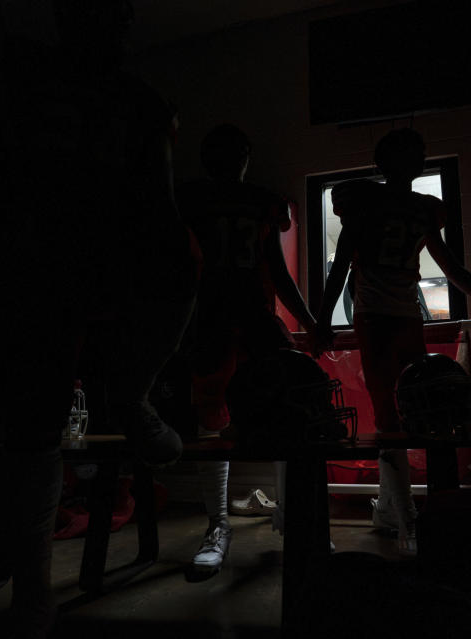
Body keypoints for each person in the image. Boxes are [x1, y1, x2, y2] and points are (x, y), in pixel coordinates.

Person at [0, 0, 199, 633]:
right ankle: (31, 594)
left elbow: (162, 213)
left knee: (34, 429)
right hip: (51, 259)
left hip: (82, 260)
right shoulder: (50, 83)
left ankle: (32, 597)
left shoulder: (121, 97)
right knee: (33, 428)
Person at [314, 128, 471, 554]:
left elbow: (345, 267)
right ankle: (406, 520)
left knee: (411, 416)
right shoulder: (407, 210)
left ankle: (393, 510)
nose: (420, 160)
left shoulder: (386, 208)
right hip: (385, 316)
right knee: (398, 419)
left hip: (398, 316)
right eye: (414, 154)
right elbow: (343, 265)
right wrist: (323, 320)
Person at [175, 124, 317, 575]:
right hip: (215, 316)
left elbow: (274, 266)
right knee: (212, 422)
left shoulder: (212, 198)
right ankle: (218, 524)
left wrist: (311, 321)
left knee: (285, 413)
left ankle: (284, 518)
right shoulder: (234, 200)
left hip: (243, 315)